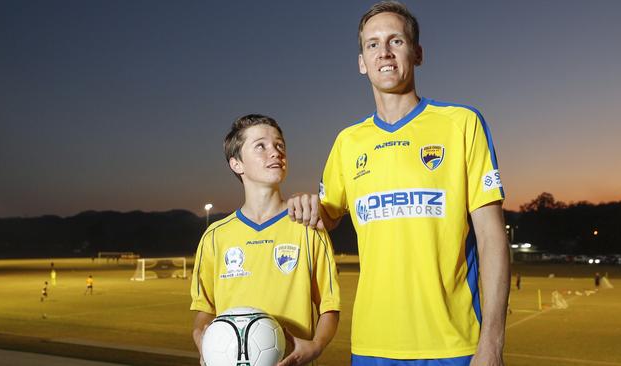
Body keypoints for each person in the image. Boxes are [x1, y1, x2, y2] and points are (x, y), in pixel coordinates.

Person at [288, 2, 510, 365]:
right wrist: (307, 206)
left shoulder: (461, 123)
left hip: (454, 345)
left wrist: (492, 343)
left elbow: (491, 237)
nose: (384, 53)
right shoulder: (347, 142)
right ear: (361, 62)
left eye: (396, 41)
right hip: (373, 346)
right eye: (372, 45)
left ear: (417, 53)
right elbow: (327, 217)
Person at [190, 115, 341, 366]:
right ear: (237, 163)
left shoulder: (308, 228)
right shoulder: (215, 236)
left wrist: (316, 345)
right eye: (261, 146)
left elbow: (329, 306)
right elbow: (204, 309)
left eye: (279, 145)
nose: (275, 152)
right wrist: (202, 338)